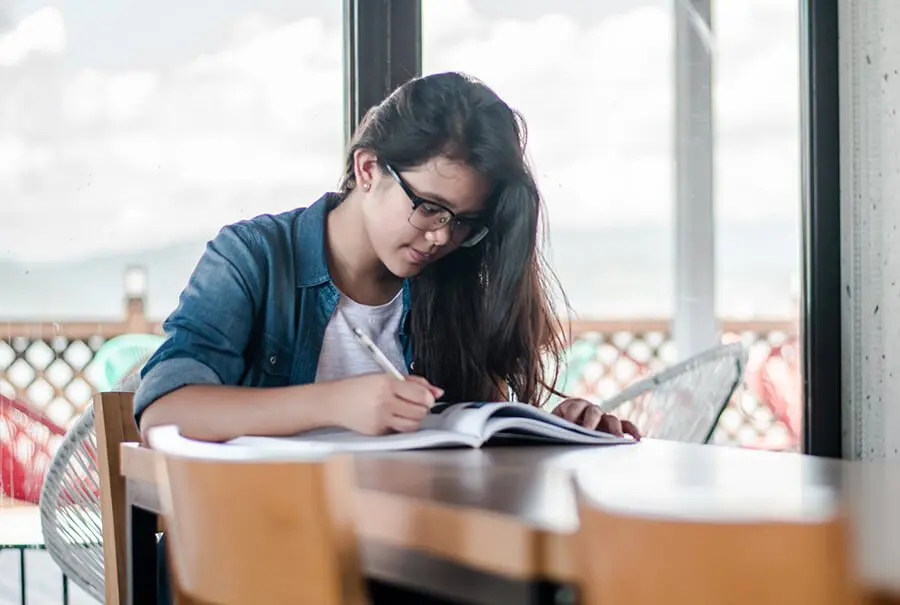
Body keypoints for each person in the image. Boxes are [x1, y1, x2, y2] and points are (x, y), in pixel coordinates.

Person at [137, 71, 640, 603]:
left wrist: (551, 432)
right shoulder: (254, 257)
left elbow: (476, 442)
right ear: (369, 167)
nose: (442, 236)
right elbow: (164, 411)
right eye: (429, 207)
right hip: (255, 558)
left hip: (410, 560)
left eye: (465, 222)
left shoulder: (450, 285)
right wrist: (338, 402)